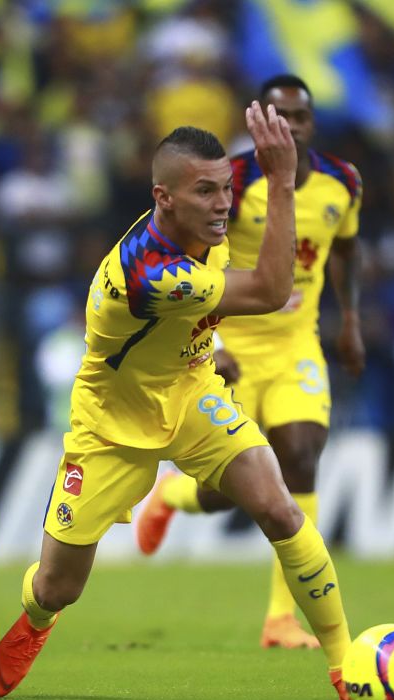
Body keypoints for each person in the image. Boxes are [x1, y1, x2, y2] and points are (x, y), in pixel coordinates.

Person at [0, 103, 353, 700]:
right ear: (164, 198)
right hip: (111, 423)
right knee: (58, 585)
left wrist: (215, 344)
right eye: (205, 191)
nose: (222, 204)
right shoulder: (150, 272)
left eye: (227, 189)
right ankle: (36, 621)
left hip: (190, 391)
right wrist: (282, 181)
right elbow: (269, 289)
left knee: (281, 510)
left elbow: (229, 296)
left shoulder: (200, 229)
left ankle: (345, 662)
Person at [135, 75, 365, 651]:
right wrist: (213, 342)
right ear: (262, 123)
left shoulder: (344, 182)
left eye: (300, 117)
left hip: (296, 346)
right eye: (278, 116)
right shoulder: (231, 179)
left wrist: (352, 320)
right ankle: (174, 496)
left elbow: (345, 250)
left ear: (313, 123)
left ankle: (281, 620)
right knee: (238, 487)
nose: (290, 127)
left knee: (302, 457)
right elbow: (191, 254)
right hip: (231, 346)